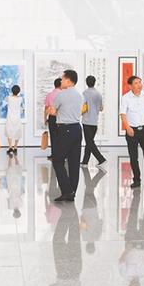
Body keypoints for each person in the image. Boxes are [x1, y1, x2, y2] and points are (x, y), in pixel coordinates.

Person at [49, 70, 83, 202]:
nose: (61, 81)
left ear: (69, 81)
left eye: (62, 79)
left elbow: (52, 112)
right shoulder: (79, 95)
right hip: (77, 128)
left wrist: (55, 110)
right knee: (74, 161)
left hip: (65, 129)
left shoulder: (61, 95)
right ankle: (72, 191)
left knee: (57, 160)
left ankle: (67, 191)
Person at [120, 75, 144, 189]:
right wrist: (128, 128)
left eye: (140, 82)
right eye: (136, 83)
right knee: (133, 157)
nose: (139, 85)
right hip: (132, 130)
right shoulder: (125, 98)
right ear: (130, 86)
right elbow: (123, 114)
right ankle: (136, 180)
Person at [80, 75, 106, 167]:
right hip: (95, 121)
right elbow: (101, 108)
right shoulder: (98, 94)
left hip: (86, 121)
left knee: (90, 142)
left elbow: (82, 106)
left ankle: (101, 159)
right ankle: (85, 162)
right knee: (89, 142)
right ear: (94, 82)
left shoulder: (84, 93)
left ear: (86, 82)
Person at [44, 78, 63, 160]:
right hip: (61, 118)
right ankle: (62, 155)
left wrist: (45, 118)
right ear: (61, 85)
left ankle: (54, 154)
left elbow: (46, 108)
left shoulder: (49, 95)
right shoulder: (63, 94)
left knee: (53, 136)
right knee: (62, 136)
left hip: (52, 117)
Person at [5, 85, 23, 155]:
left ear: (12, 91)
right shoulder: (20, 98)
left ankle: (10, 147)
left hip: (10, 117)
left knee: (9, 131)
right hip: (17, 117)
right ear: (19, 91)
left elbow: (5, 100)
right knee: (17, 131)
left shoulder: (9, 98)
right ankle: (15, 147)